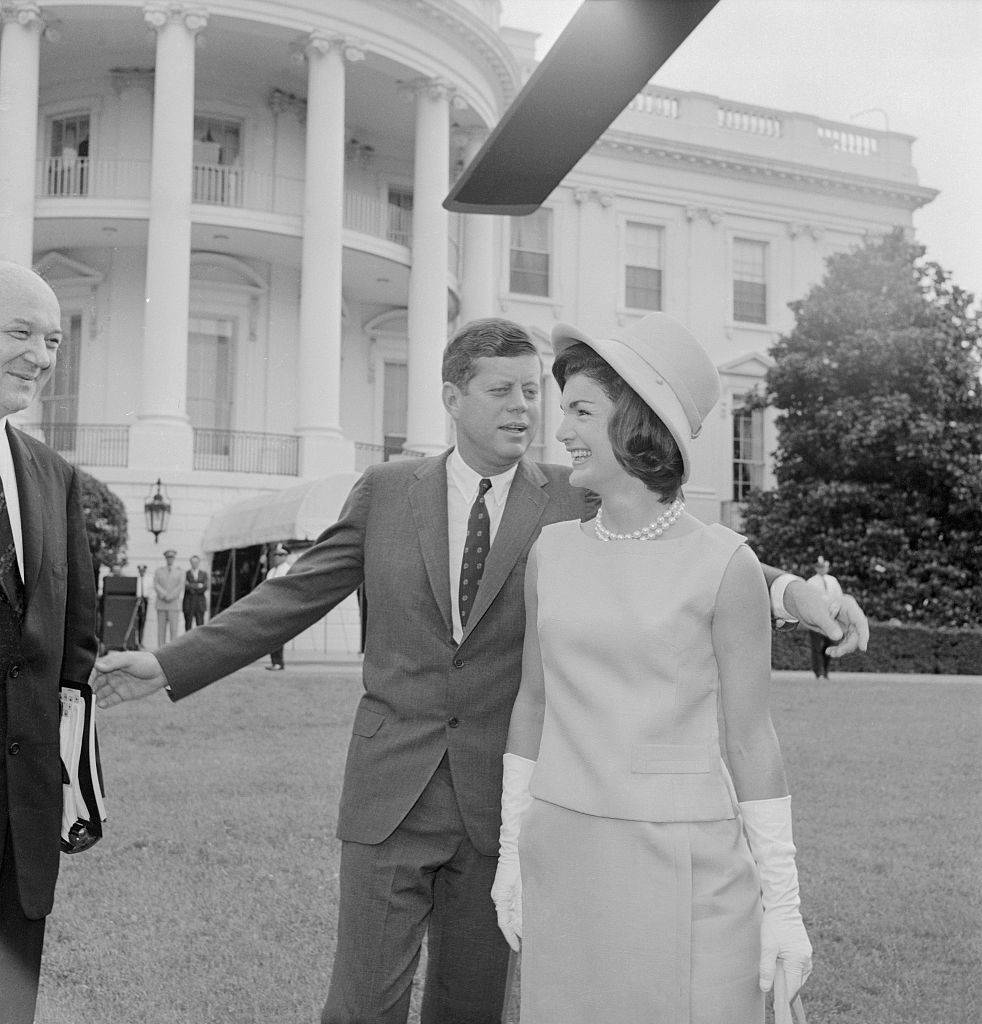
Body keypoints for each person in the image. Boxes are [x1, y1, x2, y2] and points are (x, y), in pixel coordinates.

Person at [90, 317, 864, 1024]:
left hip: (502, 807)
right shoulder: (387, 492)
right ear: (452, 397)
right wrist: (167, 662)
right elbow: (292, 594)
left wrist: (794, 592)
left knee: (471, 1010)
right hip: (389, 795)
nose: (528, 410)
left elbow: (679, 551)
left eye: (535, 391)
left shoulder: (574, 494)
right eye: (503, 392)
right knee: (359, 1007)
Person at [492, 313, 813, 1024]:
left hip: (688, 867)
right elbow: (531, 706)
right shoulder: (550, 552)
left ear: (637, 422)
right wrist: (513, 850)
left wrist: (783, 906)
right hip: (566, 856)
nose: (562, 430)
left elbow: (751, 740)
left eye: (582, 411)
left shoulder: (727, 563)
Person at [0, 260, 99, 1024]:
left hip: (22, 827)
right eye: (20, 332)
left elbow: (74, 648)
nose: (40, 355)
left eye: (54, 340)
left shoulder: (55, 476)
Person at [806, 556, 843, 679]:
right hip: (816, 619)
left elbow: (838, 598)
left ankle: (825, 671)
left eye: (824, 566)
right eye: (820, 567)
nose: (822, 569)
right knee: (816, 646)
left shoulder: (833, 581)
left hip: (830, 619)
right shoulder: (811, 582)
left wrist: (834, 613)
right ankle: (819, 672)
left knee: (829, 645)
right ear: (816, 568)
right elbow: (808, 601)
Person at [264, 545, 290, 670]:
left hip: (280, 605)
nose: (277, 558)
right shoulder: (271, 571)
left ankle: (279, 662)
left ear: (286, 556)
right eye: (276, 555)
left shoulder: (287, 570)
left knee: (278, 635)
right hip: (270, 604)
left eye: (280, 555)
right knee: (271, 635)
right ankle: (274, 661)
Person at [152, 548, 182, 646]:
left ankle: (172, 651)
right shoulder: (159, 571)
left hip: (174, 604)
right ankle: (160, 650)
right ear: (165, 558)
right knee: (161, 629)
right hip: (162, 603)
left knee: (174, 630)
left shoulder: (179, 571)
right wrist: (164, 595)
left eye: (172, 557)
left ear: (174, 558)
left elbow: (180, 586)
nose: (170, 559)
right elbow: (156, 584)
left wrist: (171, 596)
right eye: (168, 557)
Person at [182, 554, 208, 632]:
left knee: (200, 626)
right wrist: (198, 585)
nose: (195, 564)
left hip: (200, 604)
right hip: (188, 603)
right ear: (190, 563)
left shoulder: (203, 574)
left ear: (199, 563)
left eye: (196, 562)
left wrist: (191, 585)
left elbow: (205, 587)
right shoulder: (186, 574)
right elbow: (186, 587)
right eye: (193, 562)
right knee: (188, 626)